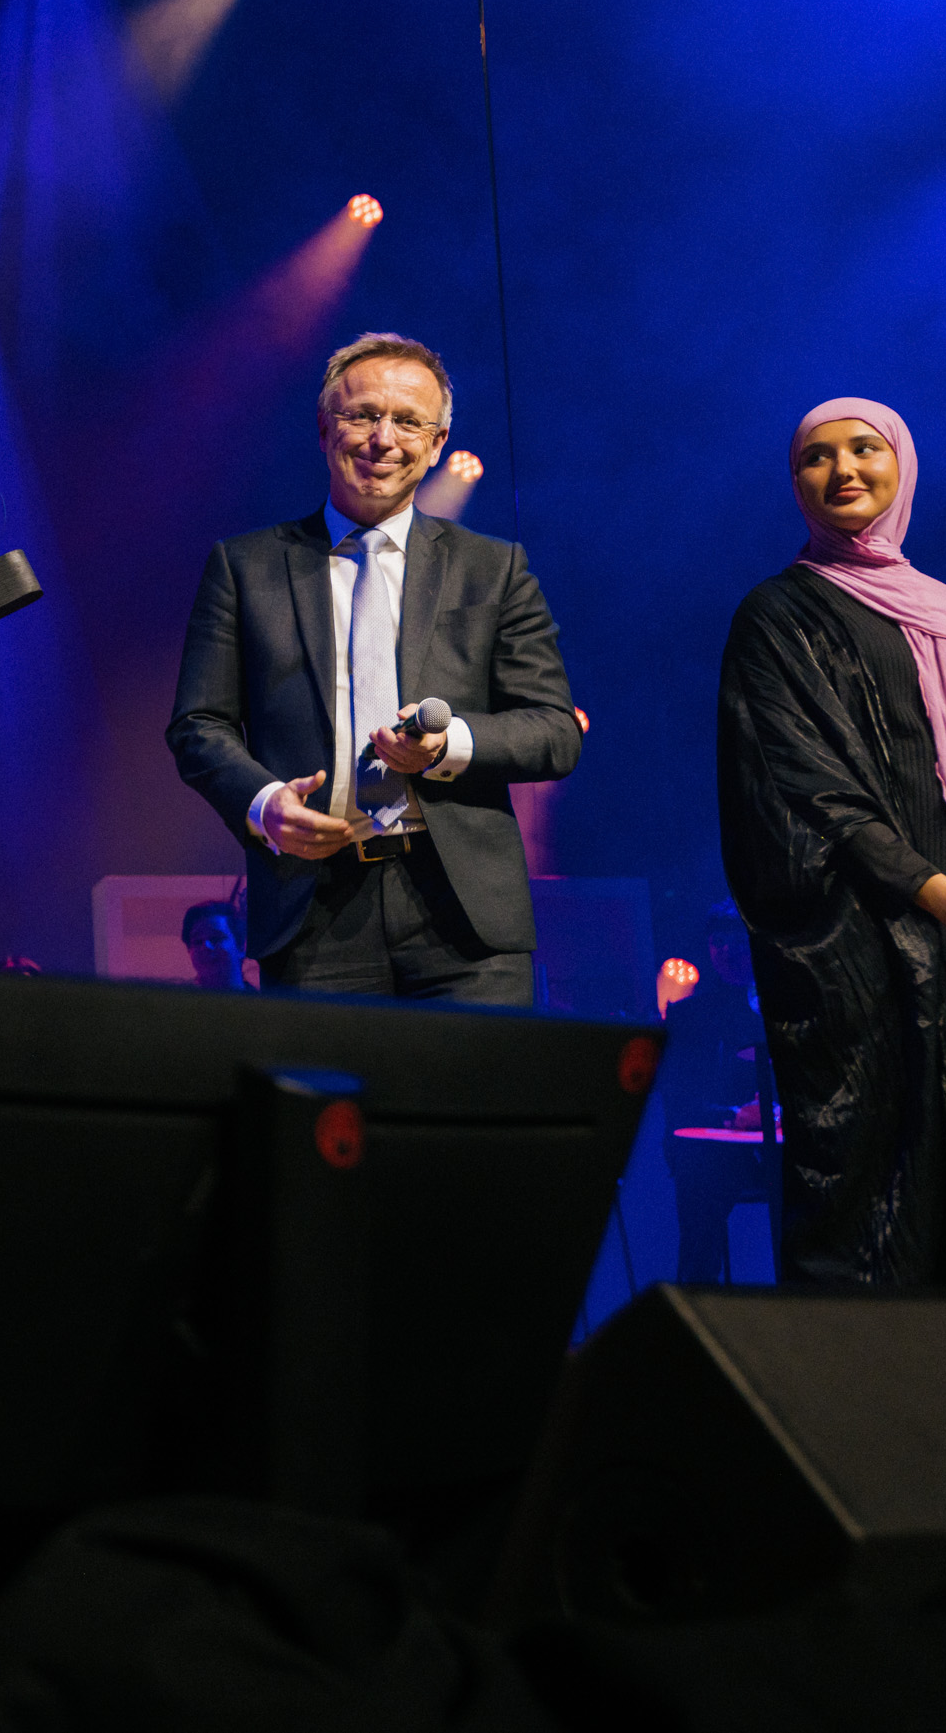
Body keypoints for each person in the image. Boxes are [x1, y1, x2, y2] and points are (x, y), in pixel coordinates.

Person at [167, 332, 580, 1003]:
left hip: (465, 920)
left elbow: (554, 732)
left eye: (409, 420)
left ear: (439, 441)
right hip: (311, 914)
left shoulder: (492, 568)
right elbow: (198, 724)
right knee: (327, 1109)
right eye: (363, 414)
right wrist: (267, 804)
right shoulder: (244, 567)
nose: (383, 438)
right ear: (325, 426)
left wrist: (448, 747)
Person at [717, 400, 946, 1288]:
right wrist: (944, 901)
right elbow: (812, 791)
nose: (843, 468)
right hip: (879, 954)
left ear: (904, 466)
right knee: (881, 1211)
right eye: (816, 456)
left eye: (864, 448)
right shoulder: (777, 616)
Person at [660, 898, 775, 1285]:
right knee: (698, 1169)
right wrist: (734, 1116)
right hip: (717, 1149)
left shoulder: (783, 1007)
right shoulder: (689, 1016)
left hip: (784, 1145)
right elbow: (679, 1100)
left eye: (737, 939)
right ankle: (696, 1303)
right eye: (717, 941)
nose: (726, 951)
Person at [179, 898, 251, 991]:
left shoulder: (262, 1004)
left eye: (216, 938)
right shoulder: (179, 1003)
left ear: (241, 946)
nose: (205, 946)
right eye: (197, 941)